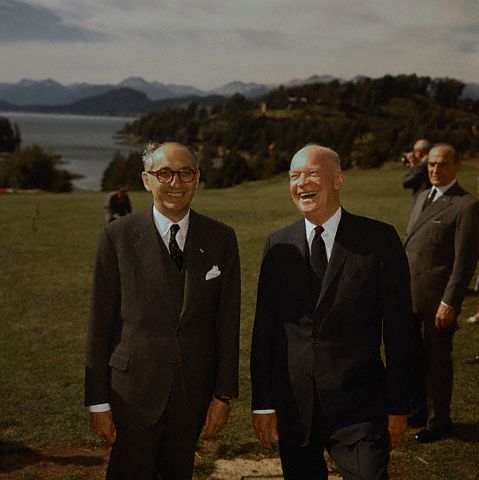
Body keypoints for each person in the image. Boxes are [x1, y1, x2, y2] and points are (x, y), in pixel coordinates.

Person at [250, 144, 414, 480]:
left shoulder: (379, 239)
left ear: (338, 180)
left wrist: (398, 406)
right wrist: (264, 404)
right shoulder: (277, 246)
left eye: (311, 173)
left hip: (361, 408)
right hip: (295, 409)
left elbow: (400, 329)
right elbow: (265, 330)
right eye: (294, 176)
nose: (302, 182)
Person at [85, 142, 241, 480]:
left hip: (192, 394)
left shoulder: (221, 239)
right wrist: (98, 402)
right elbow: (100, 324)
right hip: (131, 393)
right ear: (146, 179)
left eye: (185, 172)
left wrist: (223, 394)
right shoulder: (116, 237)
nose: (175, 183)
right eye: (164, 173)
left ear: (197, 178)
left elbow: (228, 323)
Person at [404, 143, 479, 443]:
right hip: (411, 295)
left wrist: (450, 302)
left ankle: (439, 421)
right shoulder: (422, 196)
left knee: (437, 361)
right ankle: (420, 411)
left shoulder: (466, 205)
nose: (435, 170)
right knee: (414, 359)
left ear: (457, 166)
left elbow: (464, 263)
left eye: (442, 165)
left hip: (438, 300)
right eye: (432, 164)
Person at [402, 139, 432, 205]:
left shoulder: (423, 166)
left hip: (423, 203)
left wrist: (413, 165)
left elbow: (407, 182)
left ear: (419, 152)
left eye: (415, 152)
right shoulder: (432, 163)